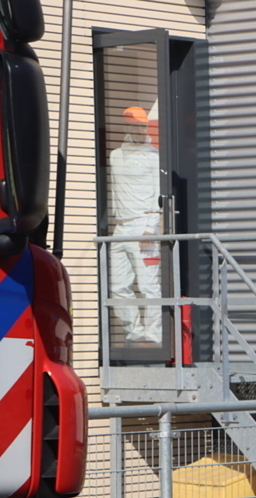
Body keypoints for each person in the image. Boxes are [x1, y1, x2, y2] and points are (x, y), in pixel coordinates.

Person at [108, 105, 162, 344]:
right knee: (118, 286)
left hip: (143, 225)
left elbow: (159, 195)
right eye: (132, 124)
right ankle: (134, 333)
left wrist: (151, 226)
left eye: (141, 125)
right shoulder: (115, 155)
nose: (138, 129)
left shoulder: (153, 156)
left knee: (149, 285)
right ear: (125, 127)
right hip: (120, 227)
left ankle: (153, 335)